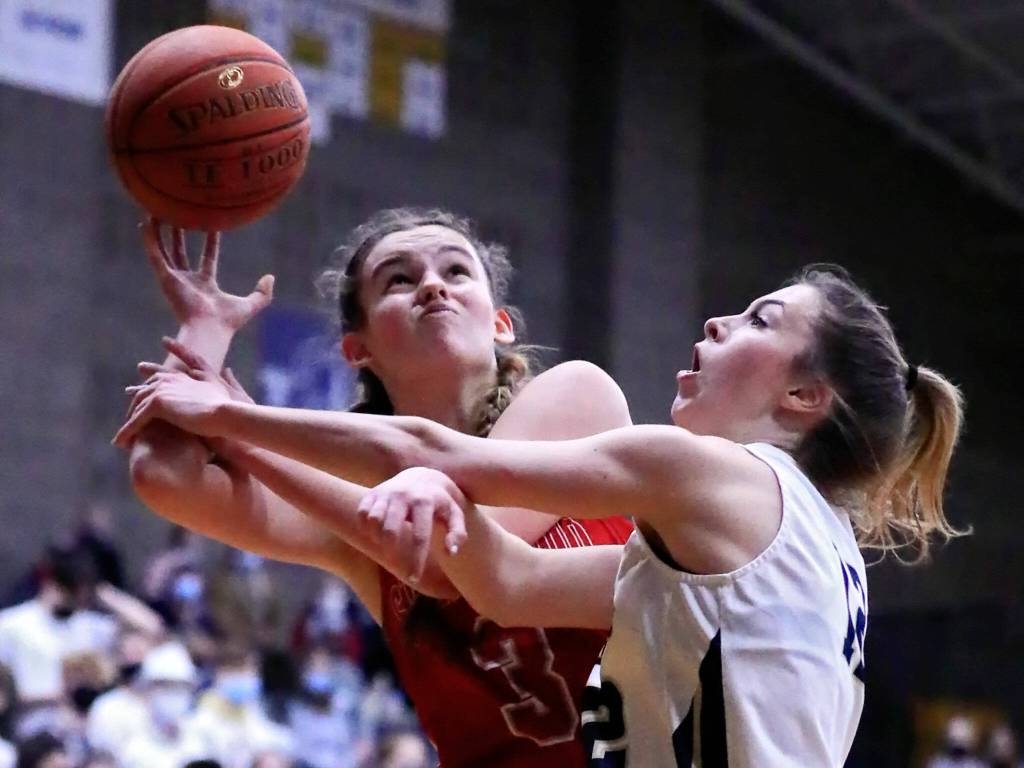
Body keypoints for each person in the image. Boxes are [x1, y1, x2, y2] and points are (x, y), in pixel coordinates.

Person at [118, 265, 965, 766]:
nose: (718, 318)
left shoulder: (706, 472)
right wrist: (444, 505)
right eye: (399, 276)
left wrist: (229, 416)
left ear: (804, 396)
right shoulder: (770, 539)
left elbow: (440, 455)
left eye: (759, 319)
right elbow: (511, 582)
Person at [119, 209, 633, 766]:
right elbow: (163, 478)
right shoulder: (353, 513)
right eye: (399, 280)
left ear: (500, 323)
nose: (433, 284)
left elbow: (453, 557)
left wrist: (236, 431)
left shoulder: (578, 397)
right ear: (357, 350)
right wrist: (206, 326)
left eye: (456, 271)